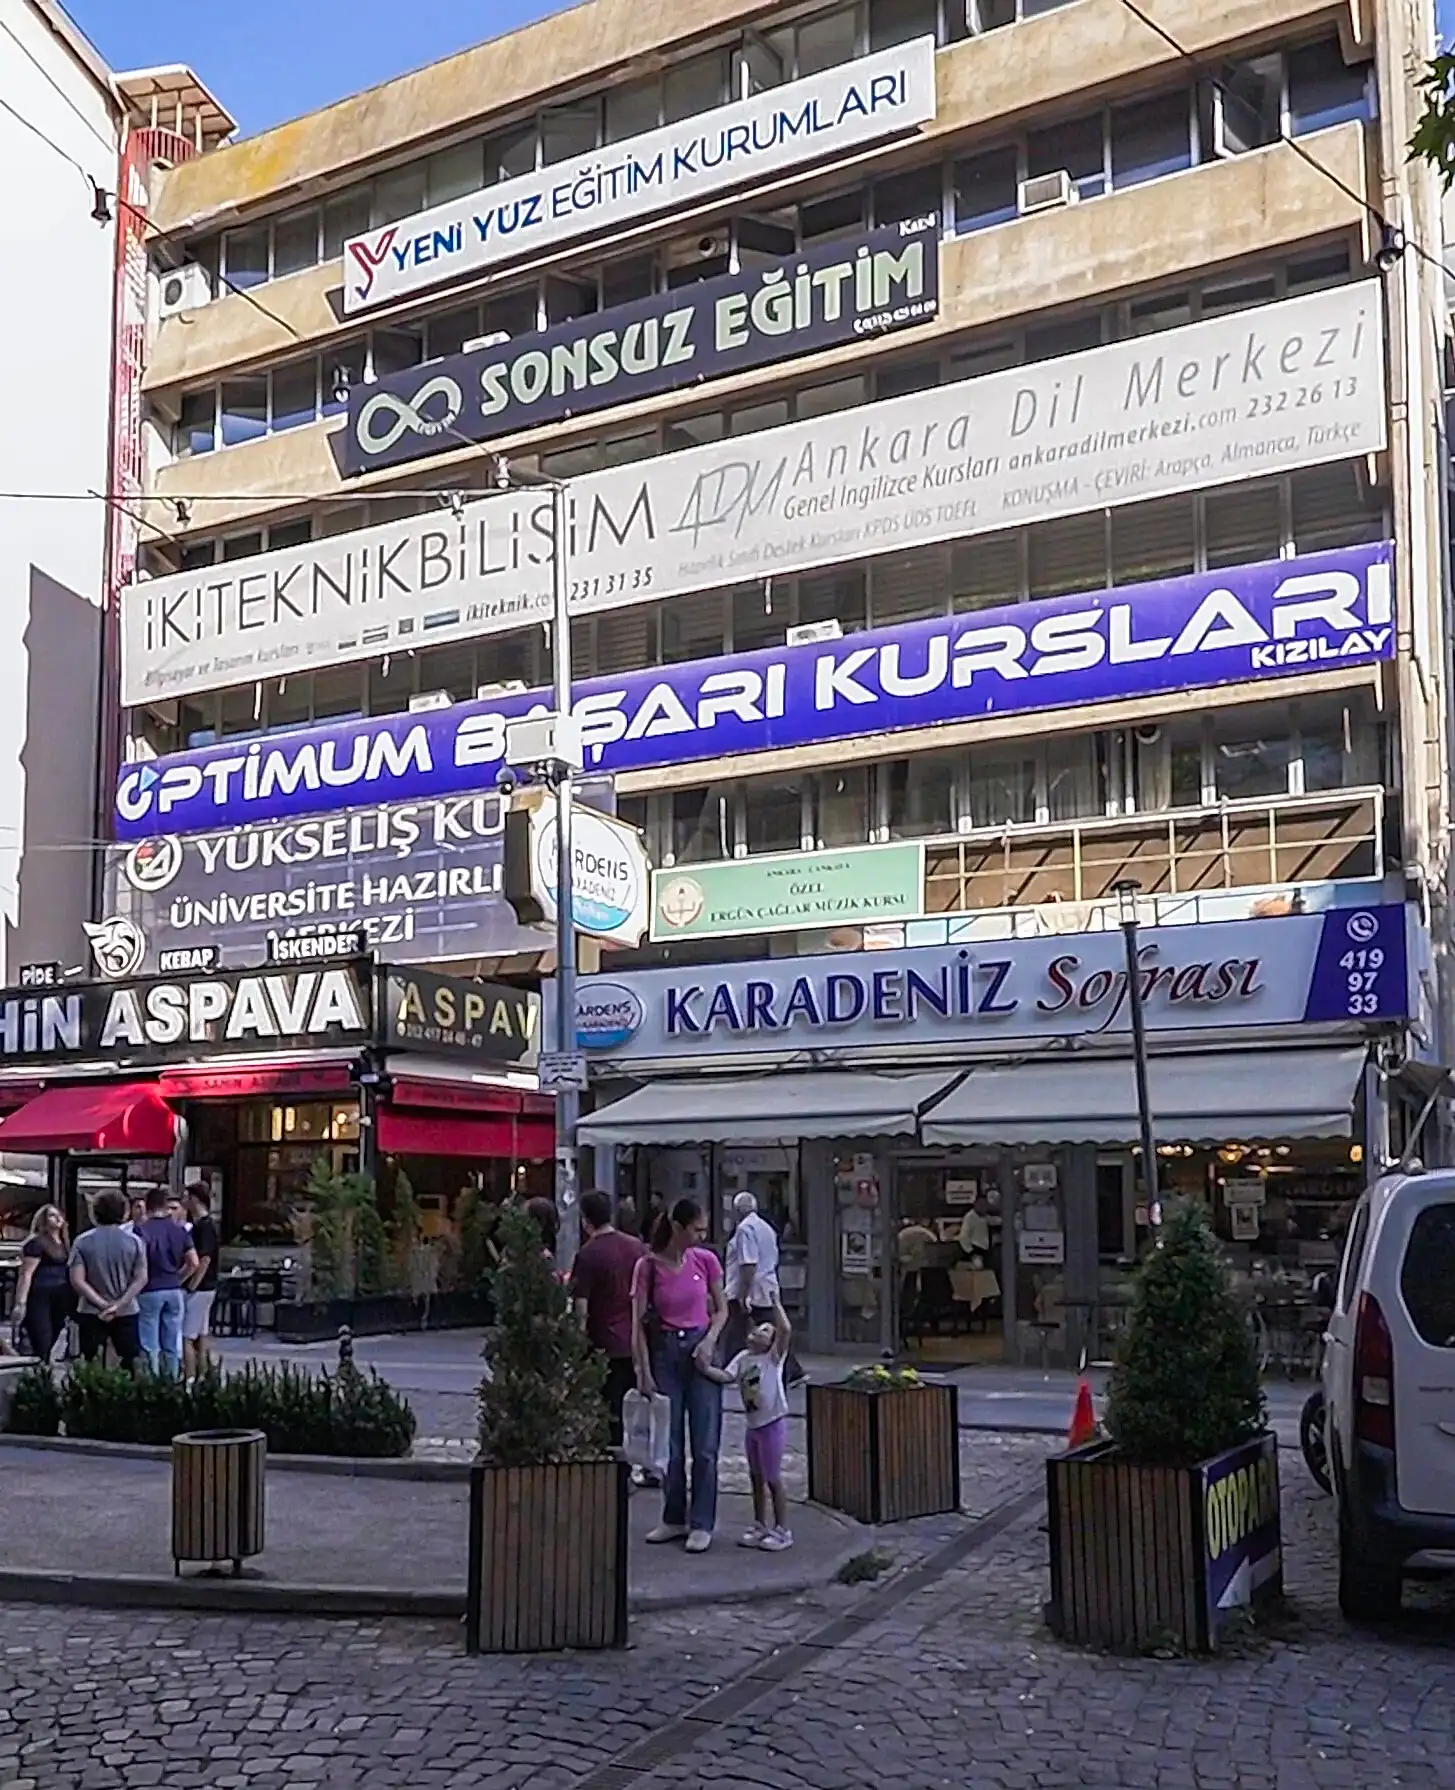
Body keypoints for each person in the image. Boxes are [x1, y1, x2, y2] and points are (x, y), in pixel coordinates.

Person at [631, 1196, 726, 1552]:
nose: (702, 1236)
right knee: (669, 1444)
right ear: (678, 1228)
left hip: (700, 1350)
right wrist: (642, 1370)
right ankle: (673, 1516)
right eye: (697, 1229)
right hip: (666, 1351)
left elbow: (722, 1309)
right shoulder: (647, 1266)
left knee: (705, 1444)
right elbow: (638, 1324)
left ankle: (702, 1521)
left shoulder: (706, 1260)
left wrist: (710, 1341)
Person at [703, 1294, 794, 1551]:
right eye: (758, 1329)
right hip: (752, 1426)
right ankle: (759, 1524)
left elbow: (786, 1329)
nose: (757, 1332)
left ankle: (782, 1529)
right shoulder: (743, 1357)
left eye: (765, 1331)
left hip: (772, 1424)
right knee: (755, 1476)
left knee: (772, 1477)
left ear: (772, 1342)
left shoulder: (773, 1359)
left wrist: (776, 1303)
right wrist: (705, 1369)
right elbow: (726, 1376)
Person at [570, 1190, 646, 1449]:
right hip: (635, 1341)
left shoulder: (587, 1255)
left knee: (609, 1412)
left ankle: (614, 1463)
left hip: (603, 1344)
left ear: (585, 1220)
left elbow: (581, 1306)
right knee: (635, 1412)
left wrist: (577, 1344)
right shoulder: (636, 1247)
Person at [722, 1192, 804, 1385]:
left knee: (739, 1328)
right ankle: (791, 1369)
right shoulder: (766, 1227)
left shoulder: (745, 1229)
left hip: (752, 1289)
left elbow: (748, 1264)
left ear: (737, 1211)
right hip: (767, 1286)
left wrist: (744, 1294)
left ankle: (731, 1370)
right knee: (760, 1328)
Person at [68, 1192, 147, 1367]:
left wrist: (103, 1304)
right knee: (129, 1362)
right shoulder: (135, 1241)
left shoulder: (82, 1241)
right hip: (127, 1310)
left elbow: (77, 1280)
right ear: (124, 1212)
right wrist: (118, 1305)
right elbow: (141, 1278)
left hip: (90, 1310)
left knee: (91, 1363)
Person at [134, 1188, 198, 1376]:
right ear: (165, 1205)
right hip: (173, 1289)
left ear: (148, 1206)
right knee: (171, 1343)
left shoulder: (141, 1230)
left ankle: (152, 1382)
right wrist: (178, 1278)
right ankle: (172, 1380)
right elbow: (193, 1262)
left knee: (149, 1344)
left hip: (149, 1289)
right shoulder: (179, 1230)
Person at [10, 1206, 72, 1364]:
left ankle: (44, 1364)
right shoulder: (37, 1243)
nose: (57, 1218)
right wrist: (21, 1303)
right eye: (52, 1215)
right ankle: (41, 1367)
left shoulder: (64, 1243)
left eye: (59, 1215)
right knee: (42, 1336)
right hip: (41, 1294)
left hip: (61, 1295)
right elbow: (26, 1273)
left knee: (55, 1332)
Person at [183, 1184, 220, 1379]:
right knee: (200, 1334)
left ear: (194, 1199)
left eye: (186, 1197)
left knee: (186, 1337)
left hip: (201, 1288)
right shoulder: (200, 1225)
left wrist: (192, 1286)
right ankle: (204, 1376)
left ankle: (189, 1379)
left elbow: (204, 1259)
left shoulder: (204, 1227)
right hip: (207, 1287)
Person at [957, 1195, 992, 1262]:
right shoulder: (970, 1217)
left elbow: (994, 1220)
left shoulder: (986, 1217)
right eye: (980, 1204)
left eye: (984, 1204)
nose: (982, 1206)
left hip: (986, 1250)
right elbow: (963, 1237)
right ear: (975, 1204)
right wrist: (972, 1253)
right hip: (975, 1251)